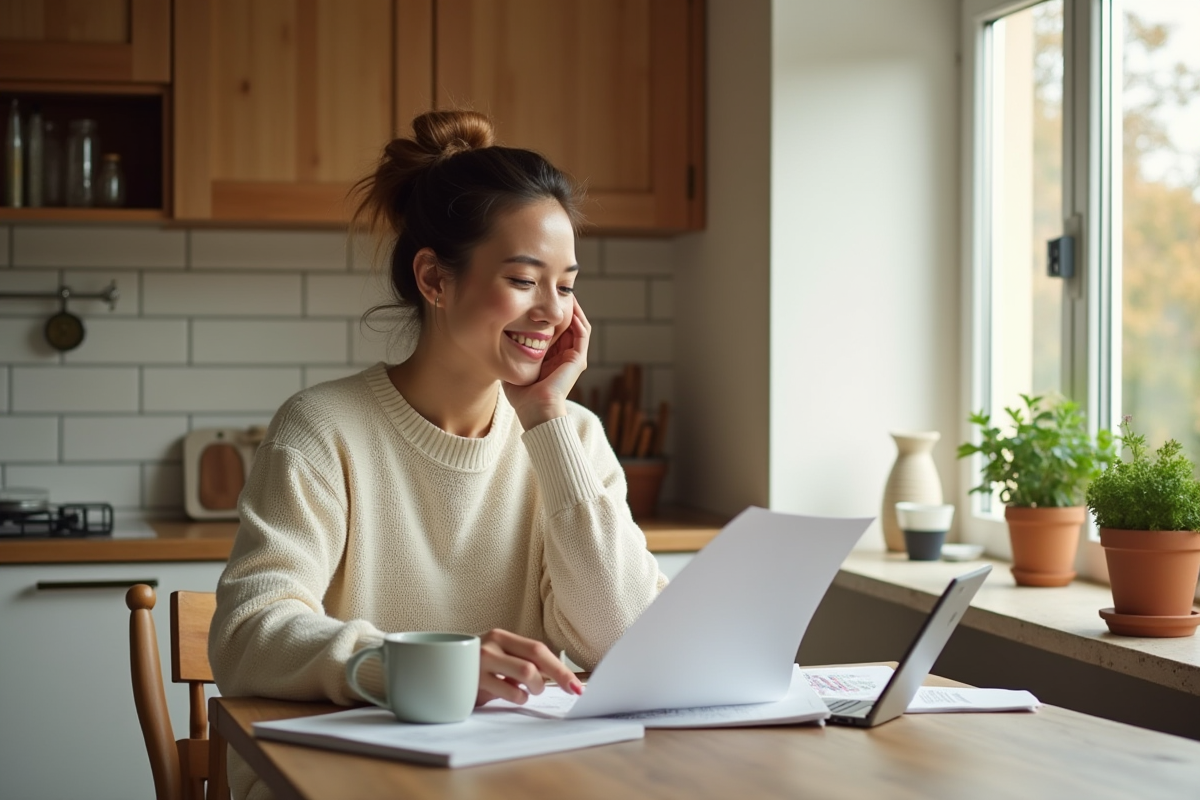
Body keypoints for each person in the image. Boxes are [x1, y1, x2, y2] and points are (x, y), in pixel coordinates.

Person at [208, 110, 667, 800]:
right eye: (523, 279)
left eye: (566, 285)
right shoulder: (323, 428)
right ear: (434, 280)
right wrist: (415, 667)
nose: (553, 312)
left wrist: (546, 422)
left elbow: (628, 643)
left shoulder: (569, 439)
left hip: (517, 781)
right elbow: (248, 635)